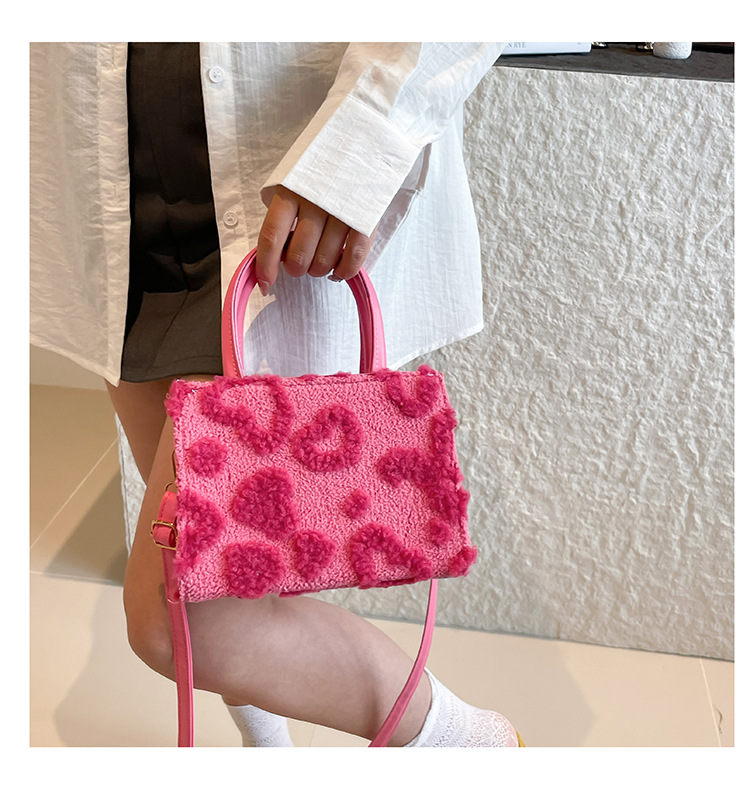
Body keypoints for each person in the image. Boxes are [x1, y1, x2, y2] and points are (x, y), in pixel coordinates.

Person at [30, 42, 520, 747]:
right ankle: (269, 752)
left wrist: (357, 149)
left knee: (181, 619)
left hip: (290, 185)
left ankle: (471, 746)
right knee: (237, 571)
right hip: (112, 183)